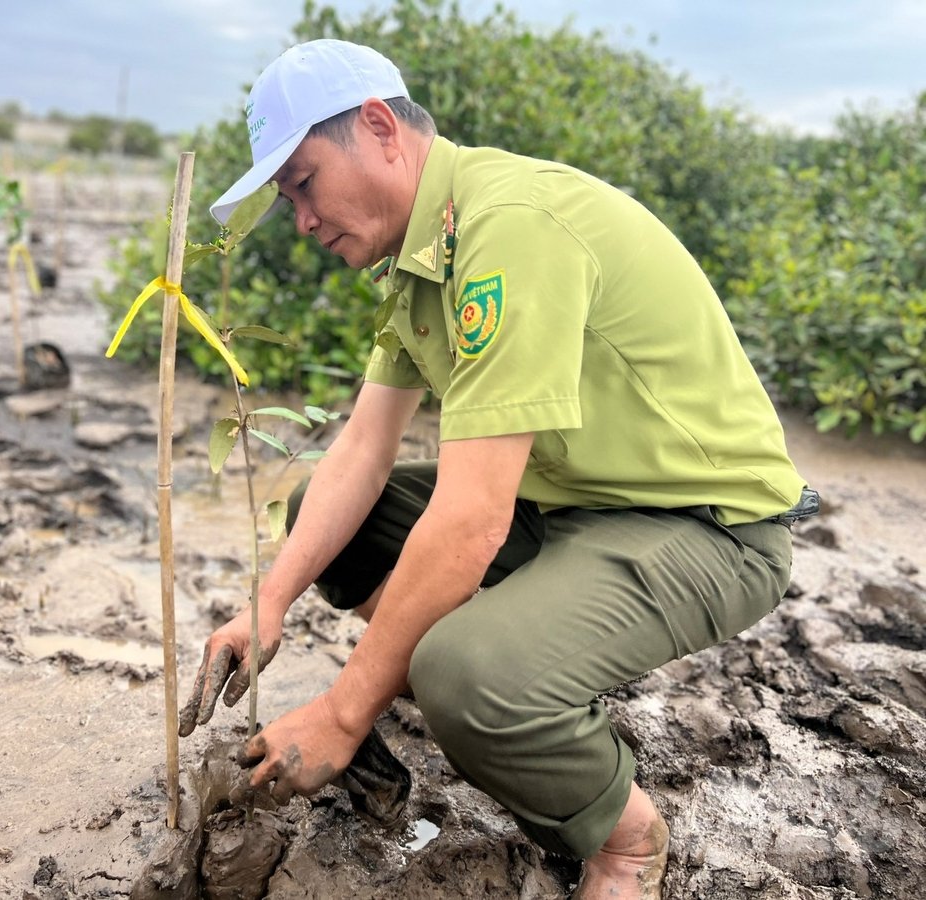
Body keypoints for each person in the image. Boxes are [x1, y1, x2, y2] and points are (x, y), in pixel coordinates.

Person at [180, 39, 817, 899]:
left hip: (701, 526)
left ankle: (625, 840)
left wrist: (343, 711)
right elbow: (363, 452)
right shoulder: (418, 259)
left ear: (378, 127)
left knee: (466, 674)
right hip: (568, 507)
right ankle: (485, 681)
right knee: (325, 529)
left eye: (301, 181)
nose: (300, 217)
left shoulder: (506, 228)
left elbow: (473, 519)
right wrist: (267, 601)